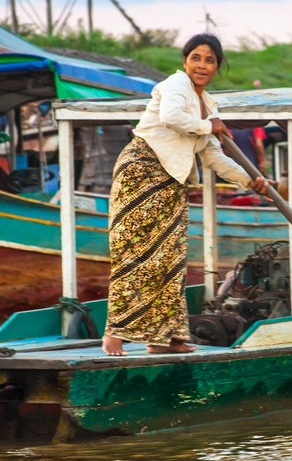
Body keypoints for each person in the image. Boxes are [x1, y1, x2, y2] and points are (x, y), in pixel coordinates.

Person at [102, 34, 270, 356]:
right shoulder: (175, 85)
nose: (202, 65)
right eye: (196, 58)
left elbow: (213, 157)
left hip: (171, 181)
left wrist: (252, 180)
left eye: (210, 60)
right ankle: (114, 334)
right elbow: (171, 118)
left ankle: (165, 339)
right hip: (142, 170)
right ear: (184, 61)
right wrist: (210, 126)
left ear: (217, 67)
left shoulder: (209, 106)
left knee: (171, 259)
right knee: (135, 255)